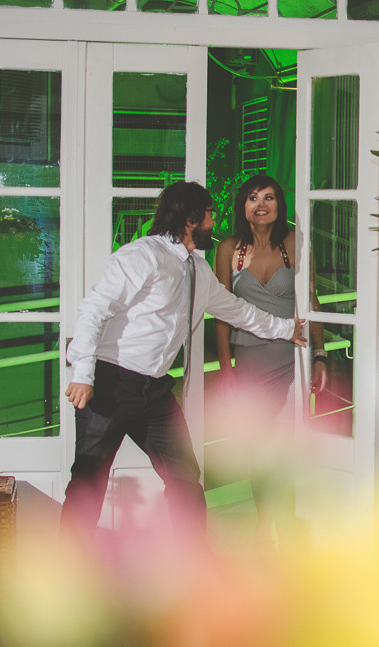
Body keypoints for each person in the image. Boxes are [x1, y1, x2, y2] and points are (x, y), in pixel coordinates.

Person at [62, 181, 307, 544]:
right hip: (112, 383)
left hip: (154, 393)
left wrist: (286, 329)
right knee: (89, 480)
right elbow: (93, 310)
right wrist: (83, 374)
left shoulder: (197, 269)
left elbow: (236, 310)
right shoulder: (143, 255)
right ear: (191, 220)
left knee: (184, 478)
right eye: (209, 214)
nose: (214, 221)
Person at [213, 174, 327, 550]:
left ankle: (284, 521)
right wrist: (226, 370)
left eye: (269, 197)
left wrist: (320, 355)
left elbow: (310, 300)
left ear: (279, 204)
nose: (261, 204)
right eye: (252, 198)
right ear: (242, 206)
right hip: (248, 362)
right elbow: (222, 313)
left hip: (291, 360)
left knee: (287, 446)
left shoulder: (294, 243)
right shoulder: (228, 249)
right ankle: (265, 524)